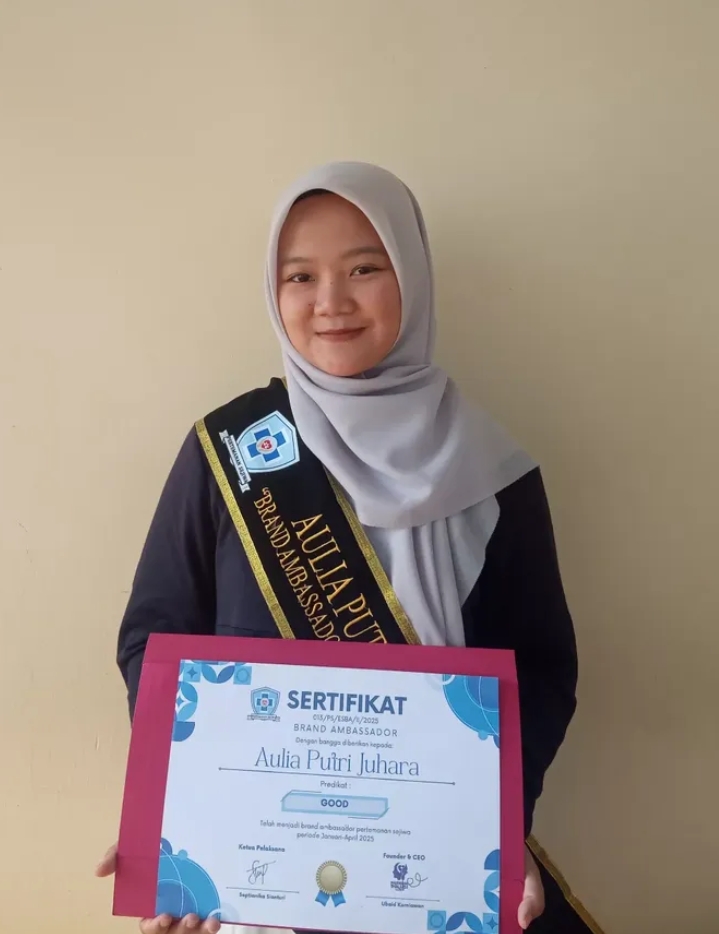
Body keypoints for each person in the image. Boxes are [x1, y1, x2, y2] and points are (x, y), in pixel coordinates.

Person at [96, 162, 578, 934]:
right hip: (256, 884)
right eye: (299, 276)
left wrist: (499, 821)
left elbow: (542, 672)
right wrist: (179, 818)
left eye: (364, 268)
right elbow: (153, 641)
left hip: (428, 874)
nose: (330, 302)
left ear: (412, 275)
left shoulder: (494, 474)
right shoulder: (232, 451)